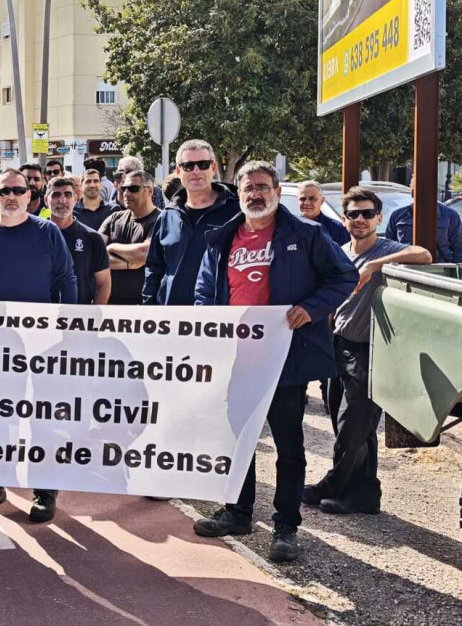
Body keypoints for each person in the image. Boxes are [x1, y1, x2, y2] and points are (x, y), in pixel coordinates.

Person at [192, 161, 356, 563]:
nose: (255, 194)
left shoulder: (306, 235)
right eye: (248, 188)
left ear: (278, 193)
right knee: (238, 441)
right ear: (239, 194)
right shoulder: (223, 239)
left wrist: (311, 308)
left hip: (285, 358)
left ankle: (286, 526)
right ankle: (238, 512)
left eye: (263, 187)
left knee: (288, 445)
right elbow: (204, 292)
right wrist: (209, 326)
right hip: (237, 360)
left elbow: (344, 276)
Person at [305, 187, 431, 516]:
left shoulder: (387, 249)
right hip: (338, 344)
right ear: (343, 219)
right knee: (348, 424)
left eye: (367, 213)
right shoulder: (340, 252)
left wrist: (376, 265)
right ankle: (362, 493)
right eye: (353, 214)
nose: (360, 219)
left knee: (353, 424)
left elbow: (424, 254)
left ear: (379, 218)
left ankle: (334, 485)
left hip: (369, 350)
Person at [0, 169, 79, 525]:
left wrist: (67, 328)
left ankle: (45, 491)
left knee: (44, 418)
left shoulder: (47, 232)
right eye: (5, 191)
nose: (12, 196)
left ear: (30, 195)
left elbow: (66, 278)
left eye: (19, 190)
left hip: (42, 343)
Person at [144, 140, 239, 306]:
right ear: (178, 171)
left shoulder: (237, 212)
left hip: (220, 315)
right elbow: (154, 268)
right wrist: (149, 306)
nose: (196, 171)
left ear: (213, 167)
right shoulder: (167, 216)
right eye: (188, 166)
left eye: (203, 164)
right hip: (172, 315)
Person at [46, 175, 111, 305]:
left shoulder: (92, 238)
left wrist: (93, 314)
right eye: (56, 195)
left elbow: (103, 284)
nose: (62, 200)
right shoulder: (36, 236)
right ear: (45, 200)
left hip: (80, 313)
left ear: (75, 199)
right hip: (41, 314)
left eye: (68, 195)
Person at [100, 170, 162, 305]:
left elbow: (144, 253)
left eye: (133, 189)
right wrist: (129, 264)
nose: (127, 193)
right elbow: (95, 255)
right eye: (124, 188)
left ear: (150, 191)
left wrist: (111, 248)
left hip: (146, 306)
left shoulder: (162, 220)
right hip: (111, 304)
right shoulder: (114, 218)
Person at [385, 177, 462, 263]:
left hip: (439, 268)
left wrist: (453, 269)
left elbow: (460, 247)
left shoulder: (450, 215)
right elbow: (389, 246)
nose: (424, 194)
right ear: (412, 192)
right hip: (406, 268)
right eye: (418, 190)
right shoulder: (398, 215)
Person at [296, 181, 351, 245]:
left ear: (322, 201)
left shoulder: (337, 229)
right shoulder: (291, 227)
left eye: (312, 199)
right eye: (302, 199)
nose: (306, 203)